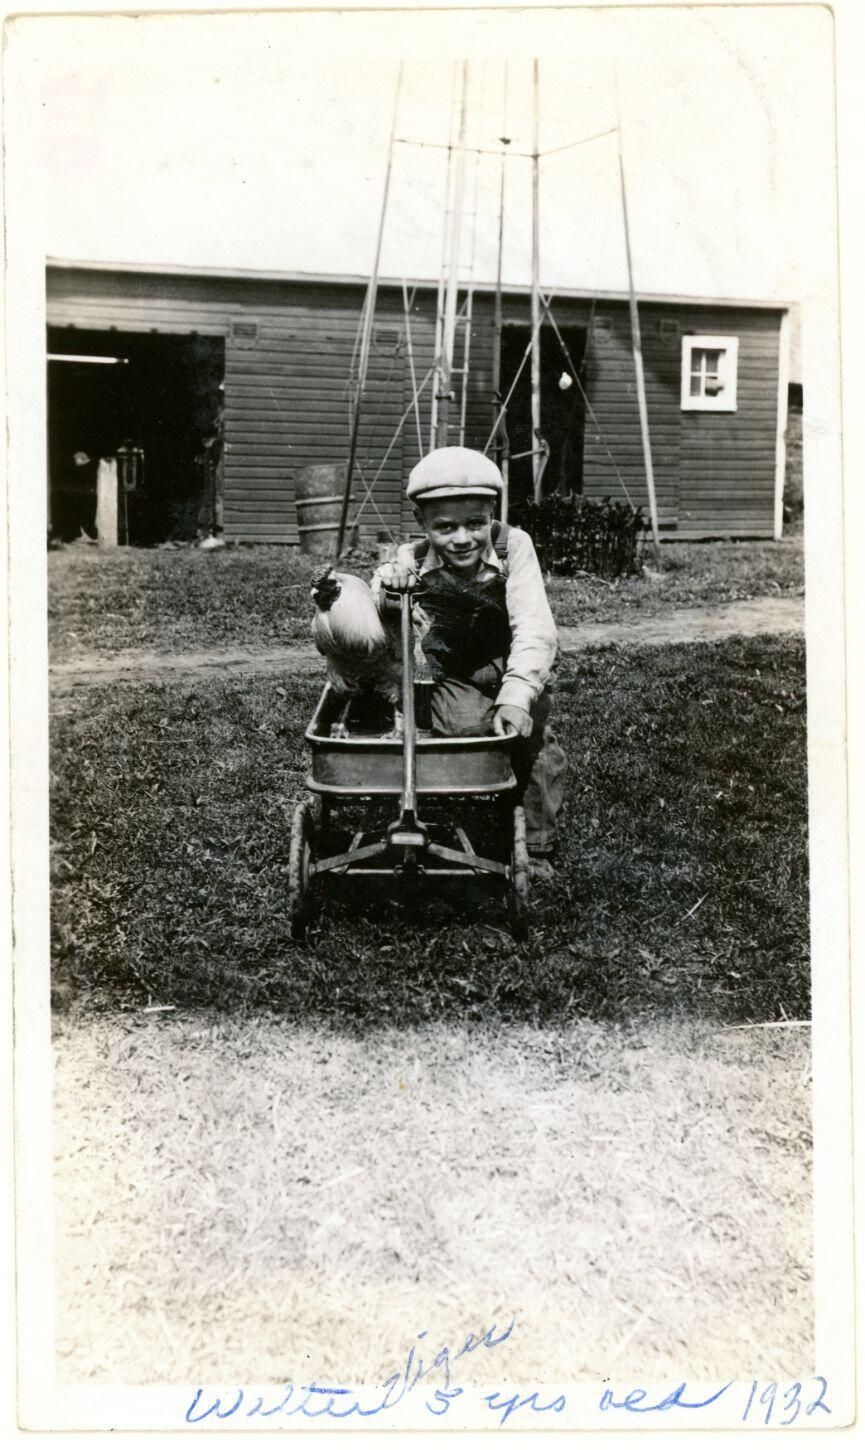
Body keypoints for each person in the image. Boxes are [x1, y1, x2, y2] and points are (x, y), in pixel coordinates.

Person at [371, 446, 566, 879]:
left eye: (475, 523)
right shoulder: (410, 560)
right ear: (422, 521)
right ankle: (469, 806)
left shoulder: (514, 547)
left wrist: (517, 695)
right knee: (468, 736)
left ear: (492, 513)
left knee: (532, 742)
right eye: (445, 527)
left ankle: (536, 845)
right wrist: (389, 590)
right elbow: (378, 603)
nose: (462, 539)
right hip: (454, 672)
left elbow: (534, 626)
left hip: (510, 664)